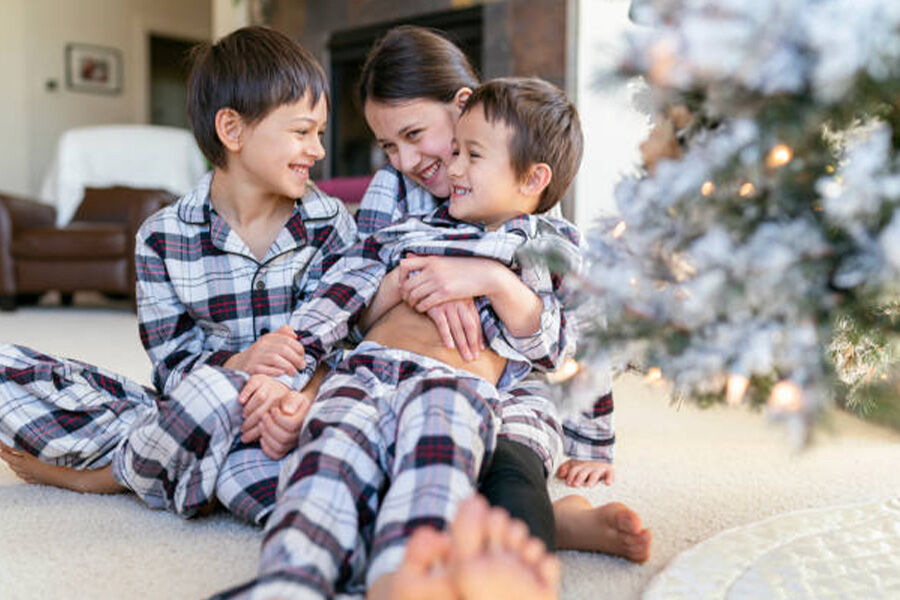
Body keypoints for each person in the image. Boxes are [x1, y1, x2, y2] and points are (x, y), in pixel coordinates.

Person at [218, 77, 641, 600]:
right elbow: (339, 297)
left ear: (533, 179)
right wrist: (294, 371)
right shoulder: (412, 228)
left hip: (454, 388)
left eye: (472, 155)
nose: (453, 169)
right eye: (455, 151)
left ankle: (405, 582)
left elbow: (575, 349)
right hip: (365, 375)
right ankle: (289, 581)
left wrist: (593, 444)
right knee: (322, 472)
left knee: (431, 484)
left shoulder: (554, 249)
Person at [0, 26, 357, 524]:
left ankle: (104, 476)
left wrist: (299, 399)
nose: (317, 149)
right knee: (8, 369)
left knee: (274, 479)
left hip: (293, 418)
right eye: (302, 132)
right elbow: (172, 368)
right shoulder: (162, 237)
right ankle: (182, 466)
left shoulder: (331, 223)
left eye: (320, 132)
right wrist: (241, 364)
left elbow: (344, 343)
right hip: (192, 409)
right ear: (232, 130)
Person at [354, 25, 648, 557]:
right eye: (388, 146)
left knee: (513, 463)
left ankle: (539, 532)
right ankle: (558, 524)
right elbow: (358, 288)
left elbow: (575, 326)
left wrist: (488, 279)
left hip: (515, 377)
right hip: (415, 371)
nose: (405, 160)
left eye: (415, 135)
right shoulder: (389, 191)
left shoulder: (525, 191)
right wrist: (428, 282)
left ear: (463, 107)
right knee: (393, 461)